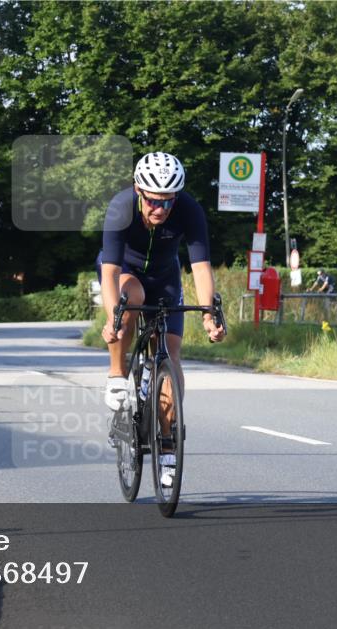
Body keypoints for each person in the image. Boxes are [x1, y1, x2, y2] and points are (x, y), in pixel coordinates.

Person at [98, 151, 225, 485]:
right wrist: (114, 318)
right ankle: (116, 375)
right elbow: (109, 271)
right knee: (132, 300)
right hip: (125, 273)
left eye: (168, 202)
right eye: (154, 202)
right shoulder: (121, 207)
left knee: (170, 355)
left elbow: (200, 267)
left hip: (165, 278)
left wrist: (210, 316)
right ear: (140, 192)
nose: (161, 210)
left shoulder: (189, 209)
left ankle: (168, 446)